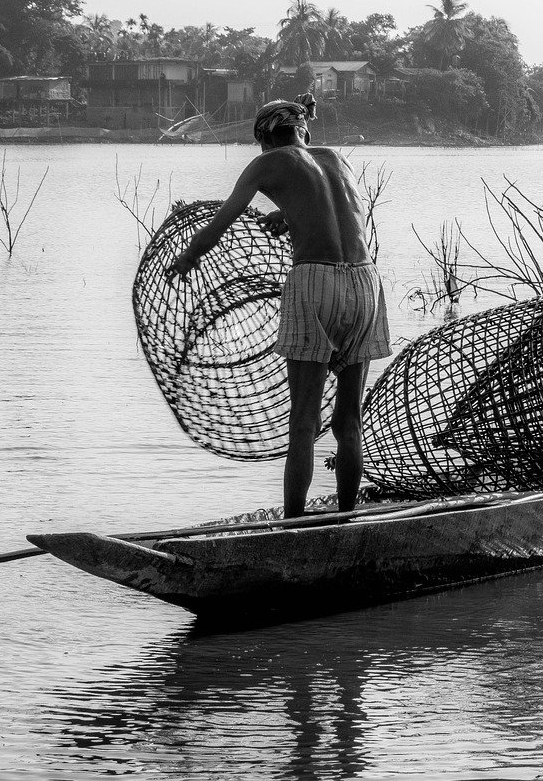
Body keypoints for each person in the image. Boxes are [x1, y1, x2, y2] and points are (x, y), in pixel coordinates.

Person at [167, 94, 391, 517]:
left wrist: (189, 256)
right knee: (348, 423)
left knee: (303, 424)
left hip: (315, 279)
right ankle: (346, 520)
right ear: (303, 131)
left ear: (265, 139)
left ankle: (294, 529)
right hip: (366, 282)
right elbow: (338, 212)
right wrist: (286, 216)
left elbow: (222, 221)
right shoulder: (336, 159)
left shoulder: (267, 163)